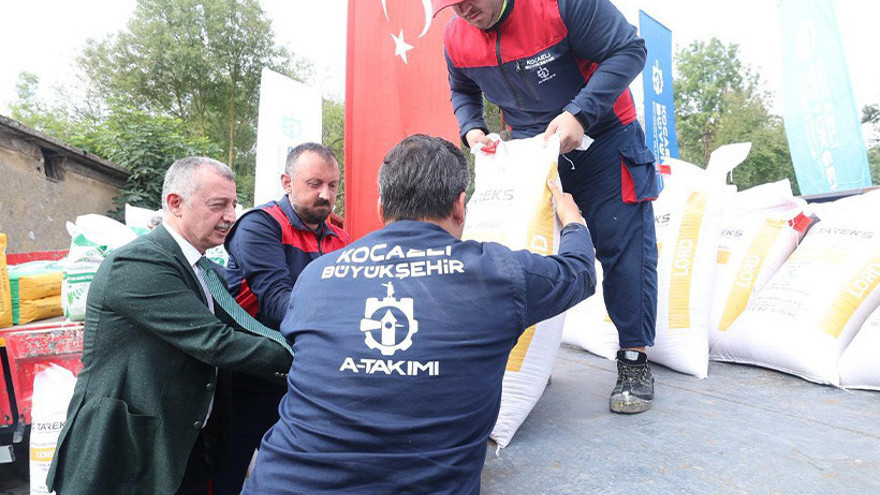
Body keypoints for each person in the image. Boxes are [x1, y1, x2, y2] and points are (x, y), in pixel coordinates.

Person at [241, 134, 596, 494]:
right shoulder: (498, 273)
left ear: (381, 207)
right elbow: (580, 273)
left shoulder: (315, 277)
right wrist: (572, 220)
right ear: (460, 207)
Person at [433, 0, 660, 414]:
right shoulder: (456, 37)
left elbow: (630, 49)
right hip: (534, 150)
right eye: (451, 4)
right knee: (529, 255)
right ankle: (533, 362)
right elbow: (462, 89)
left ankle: (634, 359)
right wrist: (472, 128)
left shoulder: (559, 5)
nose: (463, 10)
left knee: (623, 249)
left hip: (604, 137)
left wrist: (580, 113)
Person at [46, 157, 293, 495]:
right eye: (218, 205)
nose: (230, 216)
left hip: (180, 447)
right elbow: (215, 341)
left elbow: (244, 329)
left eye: (233, 205)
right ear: (175, 203)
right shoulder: (138, 263)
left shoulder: (205, 271)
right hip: (126, 453)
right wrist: (303, 361)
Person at [214, 143, 350, 494]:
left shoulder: (340, 237)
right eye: (314, 184)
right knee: (228, 473)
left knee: (302, 478)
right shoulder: (259, 225)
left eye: (333, 185)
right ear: (287, 182)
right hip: (249, 375)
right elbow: (278, 302)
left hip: (303, 379)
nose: (325, 194)